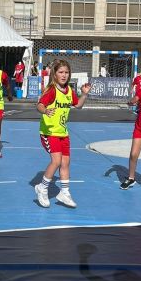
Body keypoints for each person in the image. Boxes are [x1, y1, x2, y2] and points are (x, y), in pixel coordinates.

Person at [34, 59, 91, 208]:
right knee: (57, 161)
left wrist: (84, 94)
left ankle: (64, 193)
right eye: (61, 72)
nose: (64, 75)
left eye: (66, 72)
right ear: (54, 74)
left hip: (63, 132)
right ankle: (42, 187)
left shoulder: (69, 92)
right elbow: (39, 105)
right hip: (49, 132)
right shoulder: (52, 90)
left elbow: (77, 105)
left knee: (66, 163)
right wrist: (45, 110)